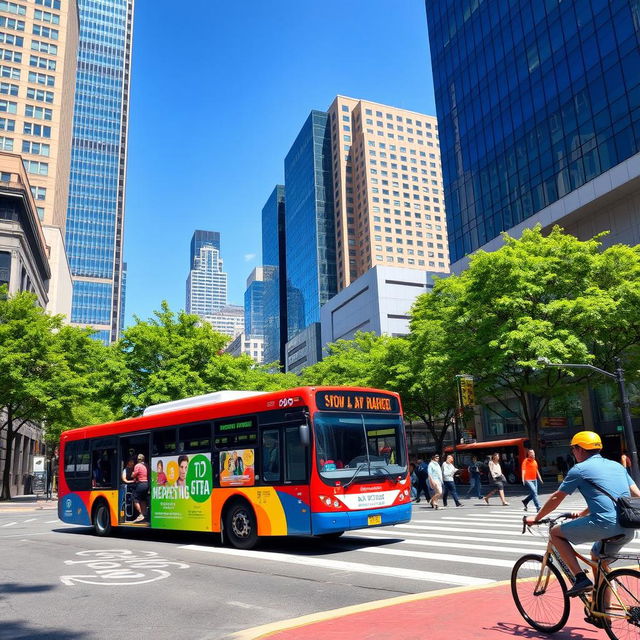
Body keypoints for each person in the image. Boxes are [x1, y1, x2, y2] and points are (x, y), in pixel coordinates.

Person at [526, 431, 640, 597]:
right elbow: (634, 494)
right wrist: (582, 513)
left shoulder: (579, 470)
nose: (573, 452)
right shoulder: (616, 466)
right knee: (598, 561)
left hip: (604, 525)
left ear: (580, 449)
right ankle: (604, 614)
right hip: (628, 528)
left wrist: (537, 518)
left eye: (573, 449)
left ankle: (580, 579)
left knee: (555, 533)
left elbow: (557, 497)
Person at [132, 453, 149, 523]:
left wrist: (132, 474)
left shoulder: (137, 465)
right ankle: (144, 514)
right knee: (143, 499)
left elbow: (134, 475)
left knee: (134, 498)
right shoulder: (146, 465)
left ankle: (140, 514)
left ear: (138, 459)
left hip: (141, 484)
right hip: (147, 484)